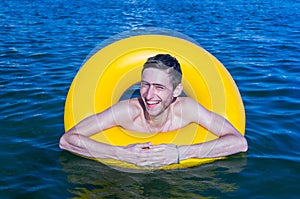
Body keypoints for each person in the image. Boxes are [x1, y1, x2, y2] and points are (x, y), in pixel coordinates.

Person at [59, 54, 248, 167]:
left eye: (159, 87)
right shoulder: (127, 112)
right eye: (145, 85)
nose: (149, 95)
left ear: (176, 91)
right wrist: (121, 154)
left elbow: (239, 143)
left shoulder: (188, 110)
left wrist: (180, 153)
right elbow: (67, 140)